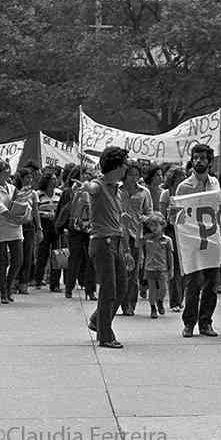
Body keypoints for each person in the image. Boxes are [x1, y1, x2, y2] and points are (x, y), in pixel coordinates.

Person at [82, 146, 132, 349]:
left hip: (116, 241)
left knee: (122, 286)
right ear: (116, 166)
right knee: (109, 289)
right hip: (102, 242)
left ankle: (97, 320)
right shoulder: (99, 185)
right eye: (124, 165)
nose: (126, 169)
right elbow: (91, 188)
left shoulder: (116, 189)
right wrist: (85, 185)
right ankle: (105, 335)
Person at [177, 144, 221, 337]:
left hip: (212, 240)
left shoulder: (215, 184)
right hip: (192, 242)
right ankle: (189, 323)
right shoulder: (184, 187)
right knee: (193, 283)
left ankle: (206, 322)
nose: (198, 161)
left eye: (203, 158)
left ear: (209, 161)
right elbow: (178, 217)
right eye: (195, 158)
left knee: (211, 284)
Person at [0, 161, 28, 304]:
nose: (8, 171)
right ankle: (3, 292)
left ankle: (9, 286)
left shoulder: (12, 188)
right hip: (0, 227)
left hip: (14, 228)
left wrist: (22, 215)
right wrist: (11, 217)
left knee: (18, 260)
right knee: (2, 261)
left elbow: (22, 203)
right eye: (5, 169)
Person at [57, 167, 96, 301]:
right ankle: (69, 288)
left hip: (90, 229)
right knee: (74, 258)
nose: (87, 177)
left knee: (90, 260)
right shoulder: (71, 191)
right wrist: (77, 195)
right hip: (75, 229)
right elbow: (68, 210)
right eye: (85, 175)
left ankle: (90, 290)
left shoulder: (94, 191)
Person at [119, 161, 152, 316]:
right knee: (120, 271)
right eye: (131, 174)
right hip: (119, 235)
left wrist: (143, 218)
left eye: (137, 175)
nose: (134, 178)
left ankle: (130, 304)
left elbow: (150, 213)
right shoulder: (117, 190)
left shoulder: (144, 192)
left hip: (137, 235)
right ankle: (121, 302)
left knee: (133, 273)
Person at [159, 166, 187, 311]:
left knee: (184, 268)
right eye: (179, 178)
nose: (182, 180)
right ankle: (174, 301)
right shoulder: (166, 194)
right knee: (174, 268)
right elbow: (161, 218)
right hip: (171, 233)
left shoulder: (186, 193)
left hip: (184, 232)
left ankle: (180, 298)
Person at [13, 168, 43, 295]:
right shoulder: (15, 191)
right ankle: (14, 281)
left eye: (31, 178)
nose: (29, 180)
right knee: (16, 255)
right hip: (16, 225)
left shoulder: (33, 193)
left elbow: (36, 211)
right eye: (27, 177)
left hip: (29, 226)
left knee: (28, 255)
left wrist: (39, 228)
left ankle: (23, 282)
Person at [34, 169, 62, 292]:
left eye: (56, 178)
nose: (55, 181)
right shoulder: (38, 194)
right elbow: (34, 210)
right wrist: (45, 213)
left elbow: (62, 210)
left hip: (56, 225)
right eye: (53, 179)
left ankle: (55, 283)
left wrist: (56, 216)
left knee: (57, 253)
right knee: (42, 253)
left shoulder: (59, 193)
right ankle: (38, 279)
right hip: (44, 224)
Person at [141, 212, 174, 318]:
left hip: (162, 268)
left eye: (156, 225)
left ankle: (160, 301)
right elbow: (138, 242)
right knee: (152, 289)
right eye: (151, 225)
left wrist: (171, 269)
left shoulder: (167, 240)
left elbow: (170, 256)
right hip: (150, 267)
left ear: (162, 225)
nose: (153, 228)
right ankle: (152, 307)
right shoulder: (147, 239)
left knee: (163, 289)